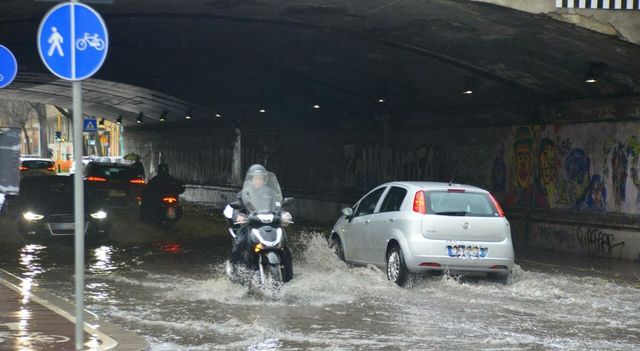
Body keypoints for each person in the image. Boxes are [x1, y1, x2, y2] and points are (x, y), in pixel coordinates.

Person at [228, 164, 293, 281]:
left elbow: (278, 206)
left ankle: (289, 274)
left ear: (265, 179)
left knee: (285, 246)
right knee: (239, 244)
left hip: (270, 224)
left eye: (261, 178)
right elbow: (236, 208)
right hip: (251, 225)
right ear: (251, 179)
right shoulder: (244, 193)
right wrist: (237, 216)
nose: (259, 180)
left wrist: (283, 213)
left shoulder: (271, 193)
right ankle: (235, 271)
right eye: (256, 178)